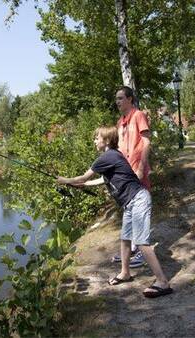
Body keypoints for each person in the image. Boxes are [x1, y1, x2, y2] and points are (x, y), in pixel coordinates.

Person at [57, 126, 172, 298]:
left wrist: (64, 180)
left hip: (138, 200)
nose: (94, 141)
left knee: (141, 242)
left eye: (97, 138)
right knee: (125, 239)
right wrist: (83, 185)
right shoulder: (114, 156)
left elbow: (83, 177)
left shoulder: (107, 156)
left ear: (107, 141)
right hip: (129, 203)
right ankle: (125, 273)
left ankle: (162, 282)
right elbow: (102, 180)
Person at [113, 86, 151, 268]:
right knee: (129, 208)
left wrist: (142, 167)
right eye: (116, 99)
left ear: (130, 99)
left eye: (121, 98)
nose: (117, 102)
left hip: (138, 170)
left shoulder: (138, 115)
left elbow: (146, 142)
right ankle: (131, 250)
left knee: (140, 209)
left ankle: (142, 252)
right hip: (126, 172)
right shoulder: (120, 122)